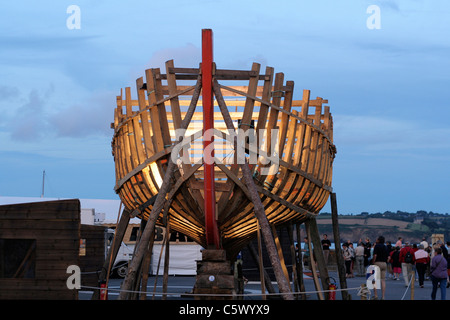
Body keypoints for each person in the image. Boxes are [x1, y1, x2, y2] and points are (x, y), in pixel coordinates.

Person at [372, 236, 389, 300]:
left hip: (377, 262)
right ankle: (383, 296)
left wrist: (373, 262)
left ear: (378, 240)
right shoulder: (385, 247)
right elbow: (389, 257)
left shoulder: (377, 246)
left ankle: (376, 295)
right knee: (383, 280)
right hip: (384, 263)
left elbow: (375, 255)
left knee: (374, 280)